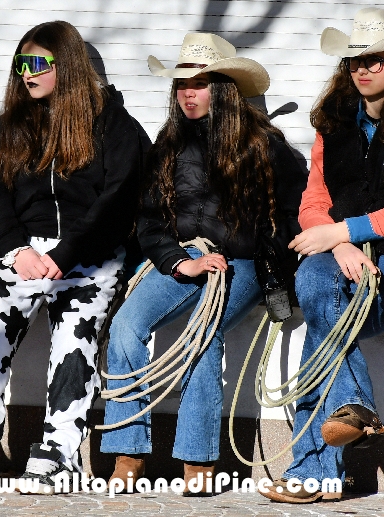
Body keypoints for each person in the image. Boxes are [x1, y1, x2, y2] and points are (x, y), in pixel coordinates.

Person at [100, 33, 307, 494]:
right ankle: (128, 450)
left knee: (204, 333)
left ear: (224, 88)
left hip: (242, 264)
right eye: (181, 85)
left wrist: (253, 251)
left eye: (200, 83)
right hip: (184, 258)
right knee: (126, 326)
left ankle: (197, 460)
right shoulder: (167, 145)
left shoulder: (264, 146)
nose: (188, 94)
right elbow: (150, 220)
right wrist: (179, 261)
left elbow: (295, 213)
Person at [261, 8, 384, 503]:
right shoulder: (333, 124)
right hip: (339, 253)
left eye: (376, 60)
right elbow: (312, 203)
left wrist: (343, 231)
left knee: (321, 332)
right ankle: (354, 408)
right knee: (317, 285)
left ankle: (313, 474)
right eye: (354, 62)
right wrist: (340, 243)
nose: (362, 70)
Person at [0, 20, 144, 493]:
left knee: (74, 340)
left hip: (88, 253)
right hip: (21, 251)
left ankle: (60, 452)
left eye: (38, 64)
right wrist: (16, 249)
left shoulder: (115, 126)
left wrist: (71, 251)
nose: (27, 74)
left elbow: (119, 199)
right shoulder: (9, 128)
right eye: (22, 64)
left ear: (68, 66)